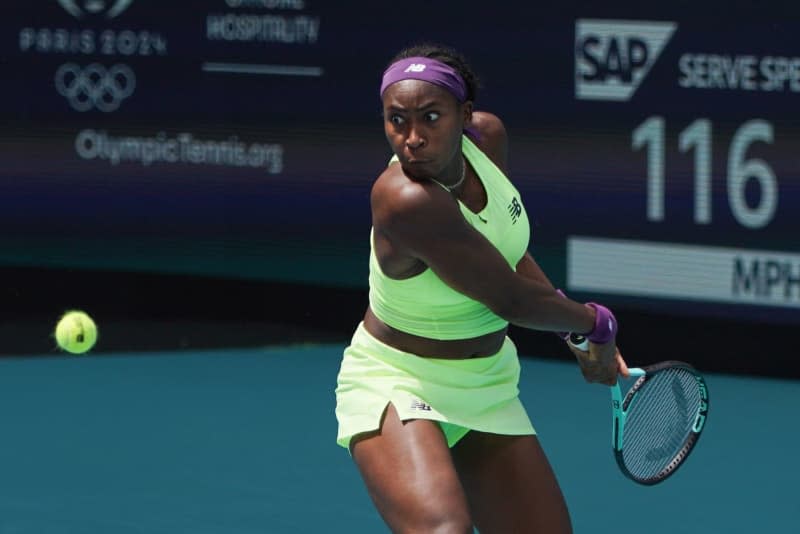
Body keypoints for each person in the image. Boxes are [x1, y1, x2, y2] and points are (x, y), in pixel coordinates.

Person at [334, 43, 629, 533]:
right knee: (443, 530)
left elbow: (503, 258)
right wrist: (596, 324)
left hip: (486, 382)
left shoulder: (487, 139)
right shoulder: (403, 199)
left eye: (431, 118)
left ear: (464, 114)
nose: (412, 139)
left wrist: (572, 330)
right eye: (396, 120)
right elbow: (509, 298)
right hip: (397, 379)